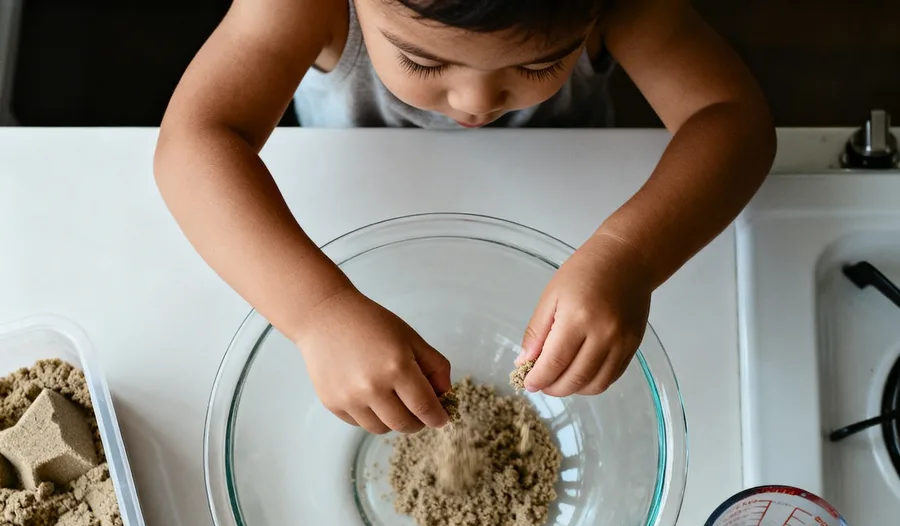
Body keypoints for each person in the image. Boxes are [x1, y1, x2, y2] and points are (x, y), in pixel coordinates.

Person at [155, 0, 775, 435]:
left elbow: (733, 119)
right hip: (358, 201)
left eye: (538, 65)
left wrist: (631, 255)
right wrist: (318, 313)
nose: (476, 102)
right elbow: (195, 144)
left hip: (568, 196)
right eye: (423, 63)